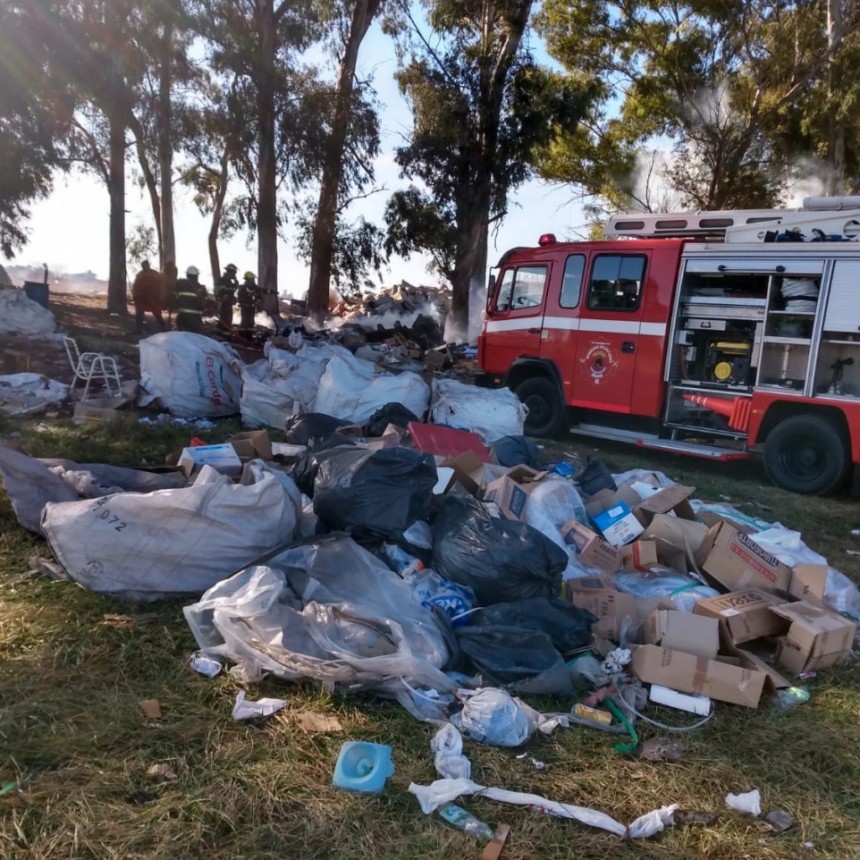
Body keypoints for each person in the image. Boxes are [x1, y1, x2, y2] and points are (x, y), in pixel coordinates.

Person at [131, 260, 166, 334]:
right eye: (143, 265)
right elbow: (135, 287)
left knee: (157, 315)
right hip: (142, 298)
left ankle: (164, 329)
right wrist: (135, 296)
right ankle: (138, 330)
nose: (145, 267)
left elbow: (161, 286)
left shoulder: (155, 275)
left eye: (146, 265)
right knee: (139, 314)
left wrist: (160, 296)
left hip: (153, 298)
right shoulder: (140, 275)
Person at [175, 266, 205, 332]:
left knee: (183, 338)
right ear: (197, 276)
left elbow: (173, 297)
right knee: (194, 339)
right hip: (196, 320)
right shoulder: (202, 288)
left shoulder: (180, 285)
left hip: (183, 319)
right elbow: (205, 304)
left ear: (187, 275)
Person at [215, 263, 239, 330]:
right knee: (225, 320)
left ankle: (226, 335)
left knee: (228, 321)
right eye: (234, 273)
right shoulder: (221, 280)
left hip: (228, 304)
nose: (235, 274)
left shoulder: (230, 282)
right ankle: (222, 335)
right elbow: (217, 292)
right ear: (230, 272)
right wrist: (222, 298)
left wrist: (236, 286)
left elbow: (231, 292)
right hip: (223, 304)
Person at [237, 271, 259, 335]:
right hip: (245, 307)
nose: (253, 281)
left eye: (253, 279)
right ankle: (241, 335)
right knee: (244, 321)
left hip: (252, 307)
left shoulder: (255, 288)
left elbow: (260, 294)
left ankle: (249, 335)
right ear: (248, 280)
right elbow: (240, 297)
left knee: (251, 322)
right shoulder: (242, 287)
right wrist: (245, 302)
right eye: (252, 279)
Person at [163, 259, 178, 330]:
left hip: (170, 290)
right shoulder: (170, 269)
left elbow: (172, 280)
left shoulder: (174, 269)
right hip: (168, 289)